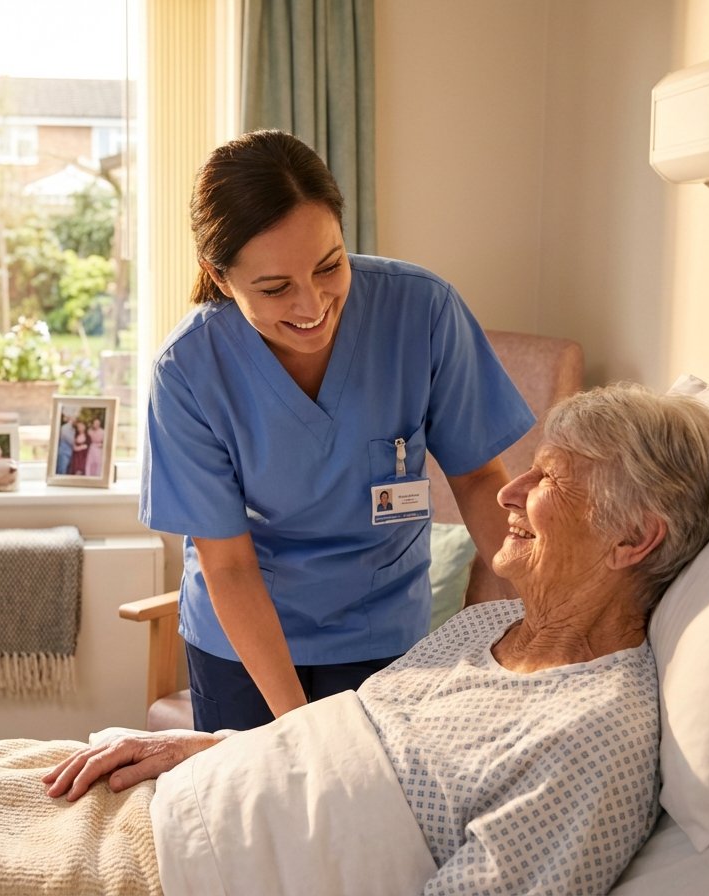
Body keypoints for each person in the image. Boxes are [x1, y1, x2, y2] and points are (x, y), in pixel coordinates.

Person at [48, 383, 709, 894]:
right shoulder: (486, 628)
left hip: (181, 870)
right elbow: (335, 756)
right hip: (188, 799)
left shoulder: (595, 736)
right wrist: (200, 750)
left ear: (633, 538)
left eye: (549, 478)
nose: (509, 492)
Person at [139, 129, 537, 732]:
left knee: (384, 817)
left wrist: (545, 616)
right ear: (219, 278)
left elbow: (480, 478)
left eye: (330, 266)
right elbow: (229, 566)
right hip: (246, 646)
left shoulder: (422, 312)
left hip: (385, 632)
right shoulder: (189, 372)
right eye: (274, 288)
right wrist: (299, 731)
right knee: (265, 809)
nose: (312, 304)